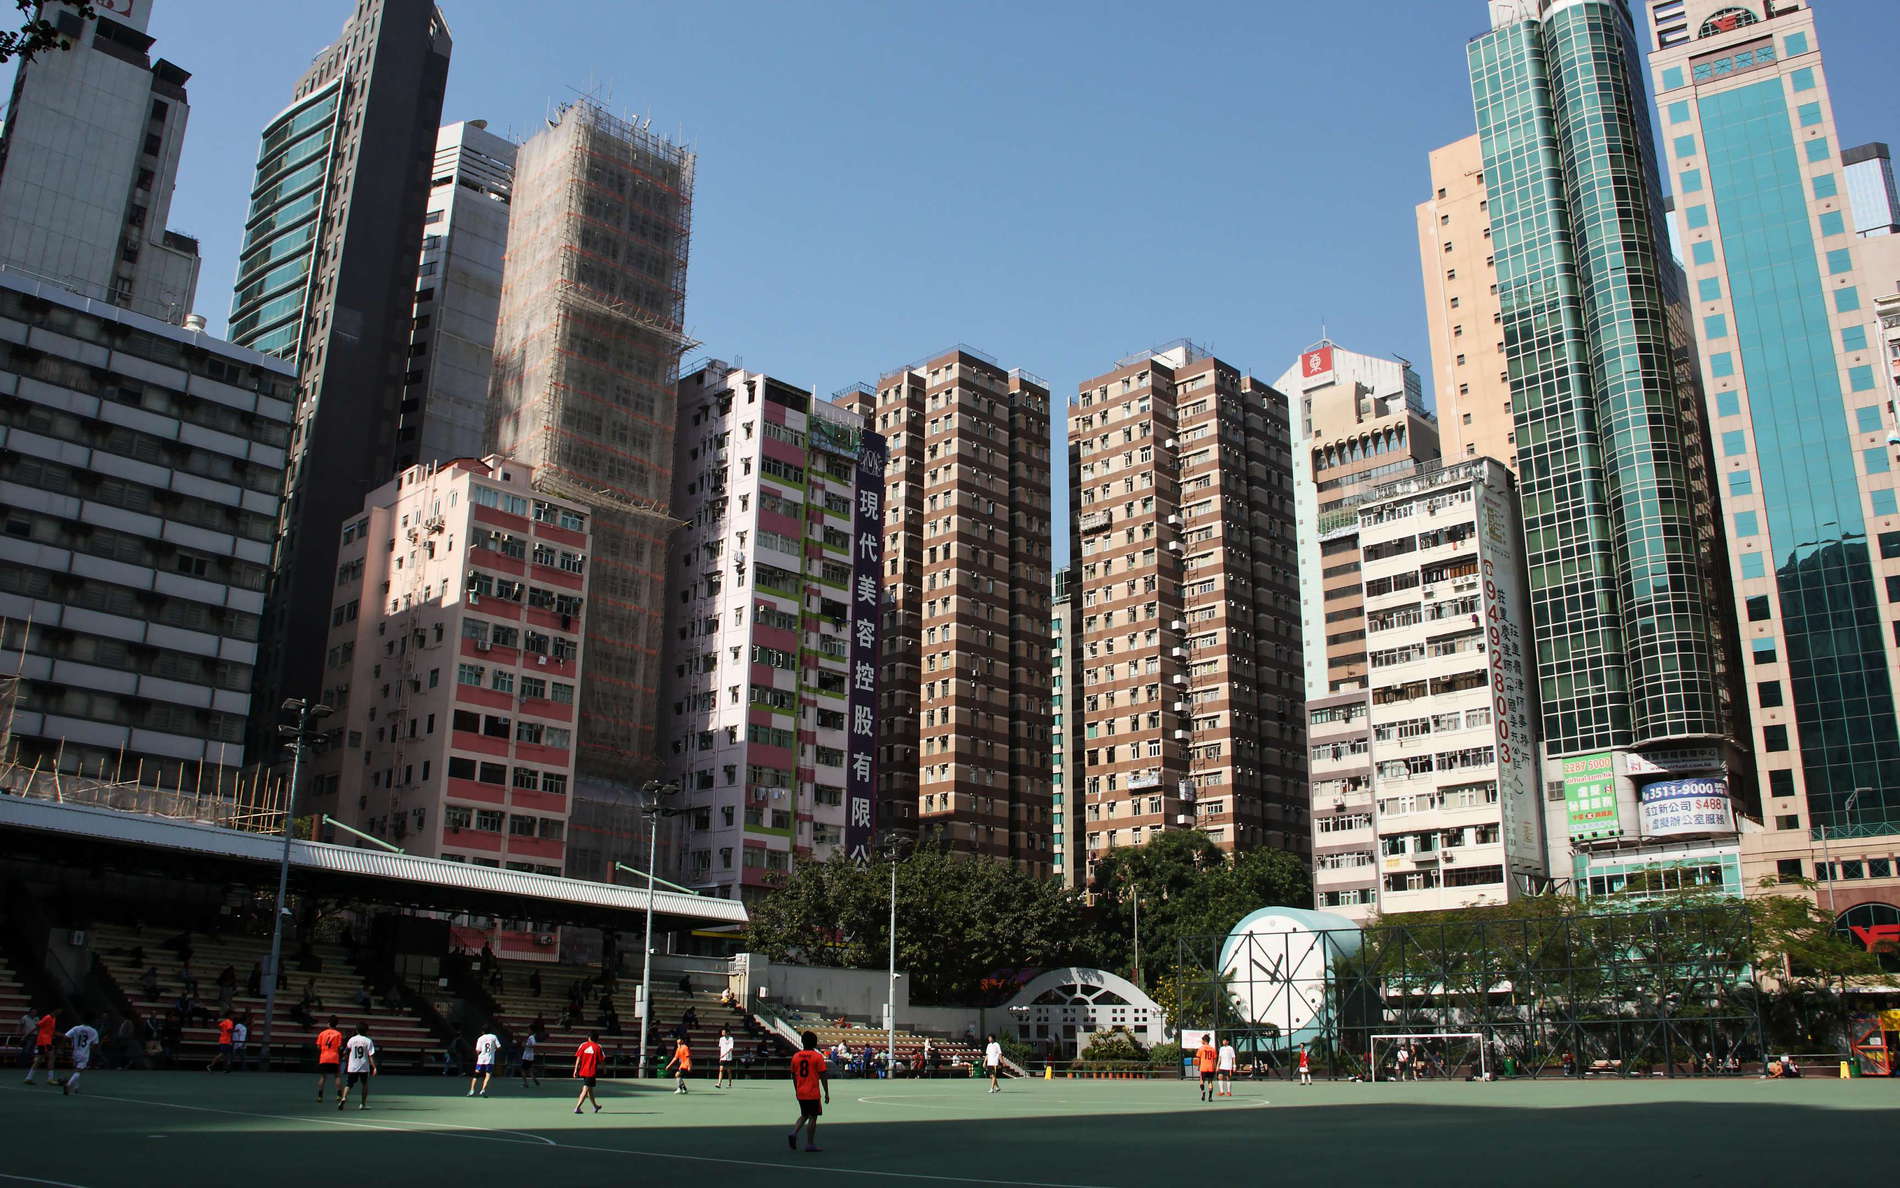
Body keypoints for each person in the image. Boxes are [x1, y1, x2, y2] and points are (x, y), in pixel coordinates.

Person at [787, 1030, 829, 1153]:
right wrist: (826, 1092)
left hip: (801, 1091)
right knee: (813, 1117)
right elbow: (823, 1076)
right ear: (815, 1043)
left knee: (804, 1114)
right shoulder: (817, 1057)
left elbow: (793, 1076)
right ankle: (810, 1144)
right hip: (813, 1092)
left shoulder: (796, 1056)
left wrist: (797, 1090)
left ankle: (794, 1132)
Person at [337, 1024, 376, 1110]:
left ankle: (343, 1098)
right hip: (363, 1067)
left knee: (349, 1084)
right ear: (366, 1031)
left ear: (357, 1030)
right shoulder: (368, 1041)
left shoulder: (352, 1039)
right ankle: (363, 1104)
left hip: (352, 1066)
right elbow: (371, 1056)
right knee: (364, 1084)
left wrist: (347, 1057)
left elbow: (345, 1051)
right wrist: (374, 1067)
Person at [60, 1018, 99, 1096]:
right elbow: (95, 1044)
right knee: (78, 1071)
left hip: (75, 1052)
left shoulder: (76, 1028)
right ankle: (68, 1085)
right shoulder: (93, 1031)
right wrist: (91, 1051)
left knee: (76, 1070)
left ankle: (76, 1088)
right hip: (84, 1053)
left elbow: (65, 1036)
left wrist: (63, 1046)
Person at [572, 1032, 604, 1115]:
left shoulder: (583, 1045)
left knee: (590, 1090)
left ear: (589, 1037)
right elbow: (602, 1060)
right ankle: (577, 1107)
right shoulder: (598, 1047)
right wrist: (605, 1069)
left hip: (583, 1071)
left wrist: (575, 1070)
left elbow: (578, 1058)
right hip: (591, 1072)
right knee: (585, 1089)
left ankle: (595, 1106)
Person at [23, 1010, 57, 1086]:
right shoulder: (47, 1017)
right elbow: (37, 1026)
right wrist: (27, 1035)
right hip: (44, 1041)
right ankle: (50, 1079)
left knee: (39, 1059)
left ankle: (28, 1078)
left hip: (47, 1040)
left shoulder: (53, 1018)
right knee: (51, 1057)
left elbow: (51, 1030)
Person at [315, 1016, 344, 1102]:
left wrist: (324, 1051)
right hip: (334, 1057)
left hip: (324, 1057)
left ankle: (320, 1096)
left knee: (323, 1077)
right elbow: (339, 1047)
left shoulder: (322, 1033)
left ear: (328, 1023)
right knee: (337, 1076)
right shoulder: (338, 1034)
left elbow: (318, 1046)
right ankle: (339, 1095)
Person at [470, 1029, 501, 1097]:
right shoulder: (493, 1037)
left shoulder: (480, 1038)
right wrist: (493, 1050)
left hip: (481, 1059)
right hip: (489, 1060)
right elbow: (499, 1047)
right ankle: (483, 1090)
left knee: (476, 1074)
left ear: (483, 1031)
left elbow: (478, 1050)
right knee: (487, 1075)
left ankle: (472, 1090)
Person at [1195, 1034, 1218, 1102]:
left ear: (1204, 1040)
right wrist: (1215, 1067)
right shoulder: (1213, 1049)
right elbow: (1214, 1060)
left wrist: (1198, 1066)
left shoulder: (1201, 1048)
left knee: (1202, 1081)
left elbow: (1198, 1059)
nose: (1201, 1041)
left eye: (1202, 1040)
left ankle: (1203, 1092)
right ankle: (1210, 1097)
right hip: (1211, 1067)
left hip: (1204, 1067)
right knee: (1210, 1082)